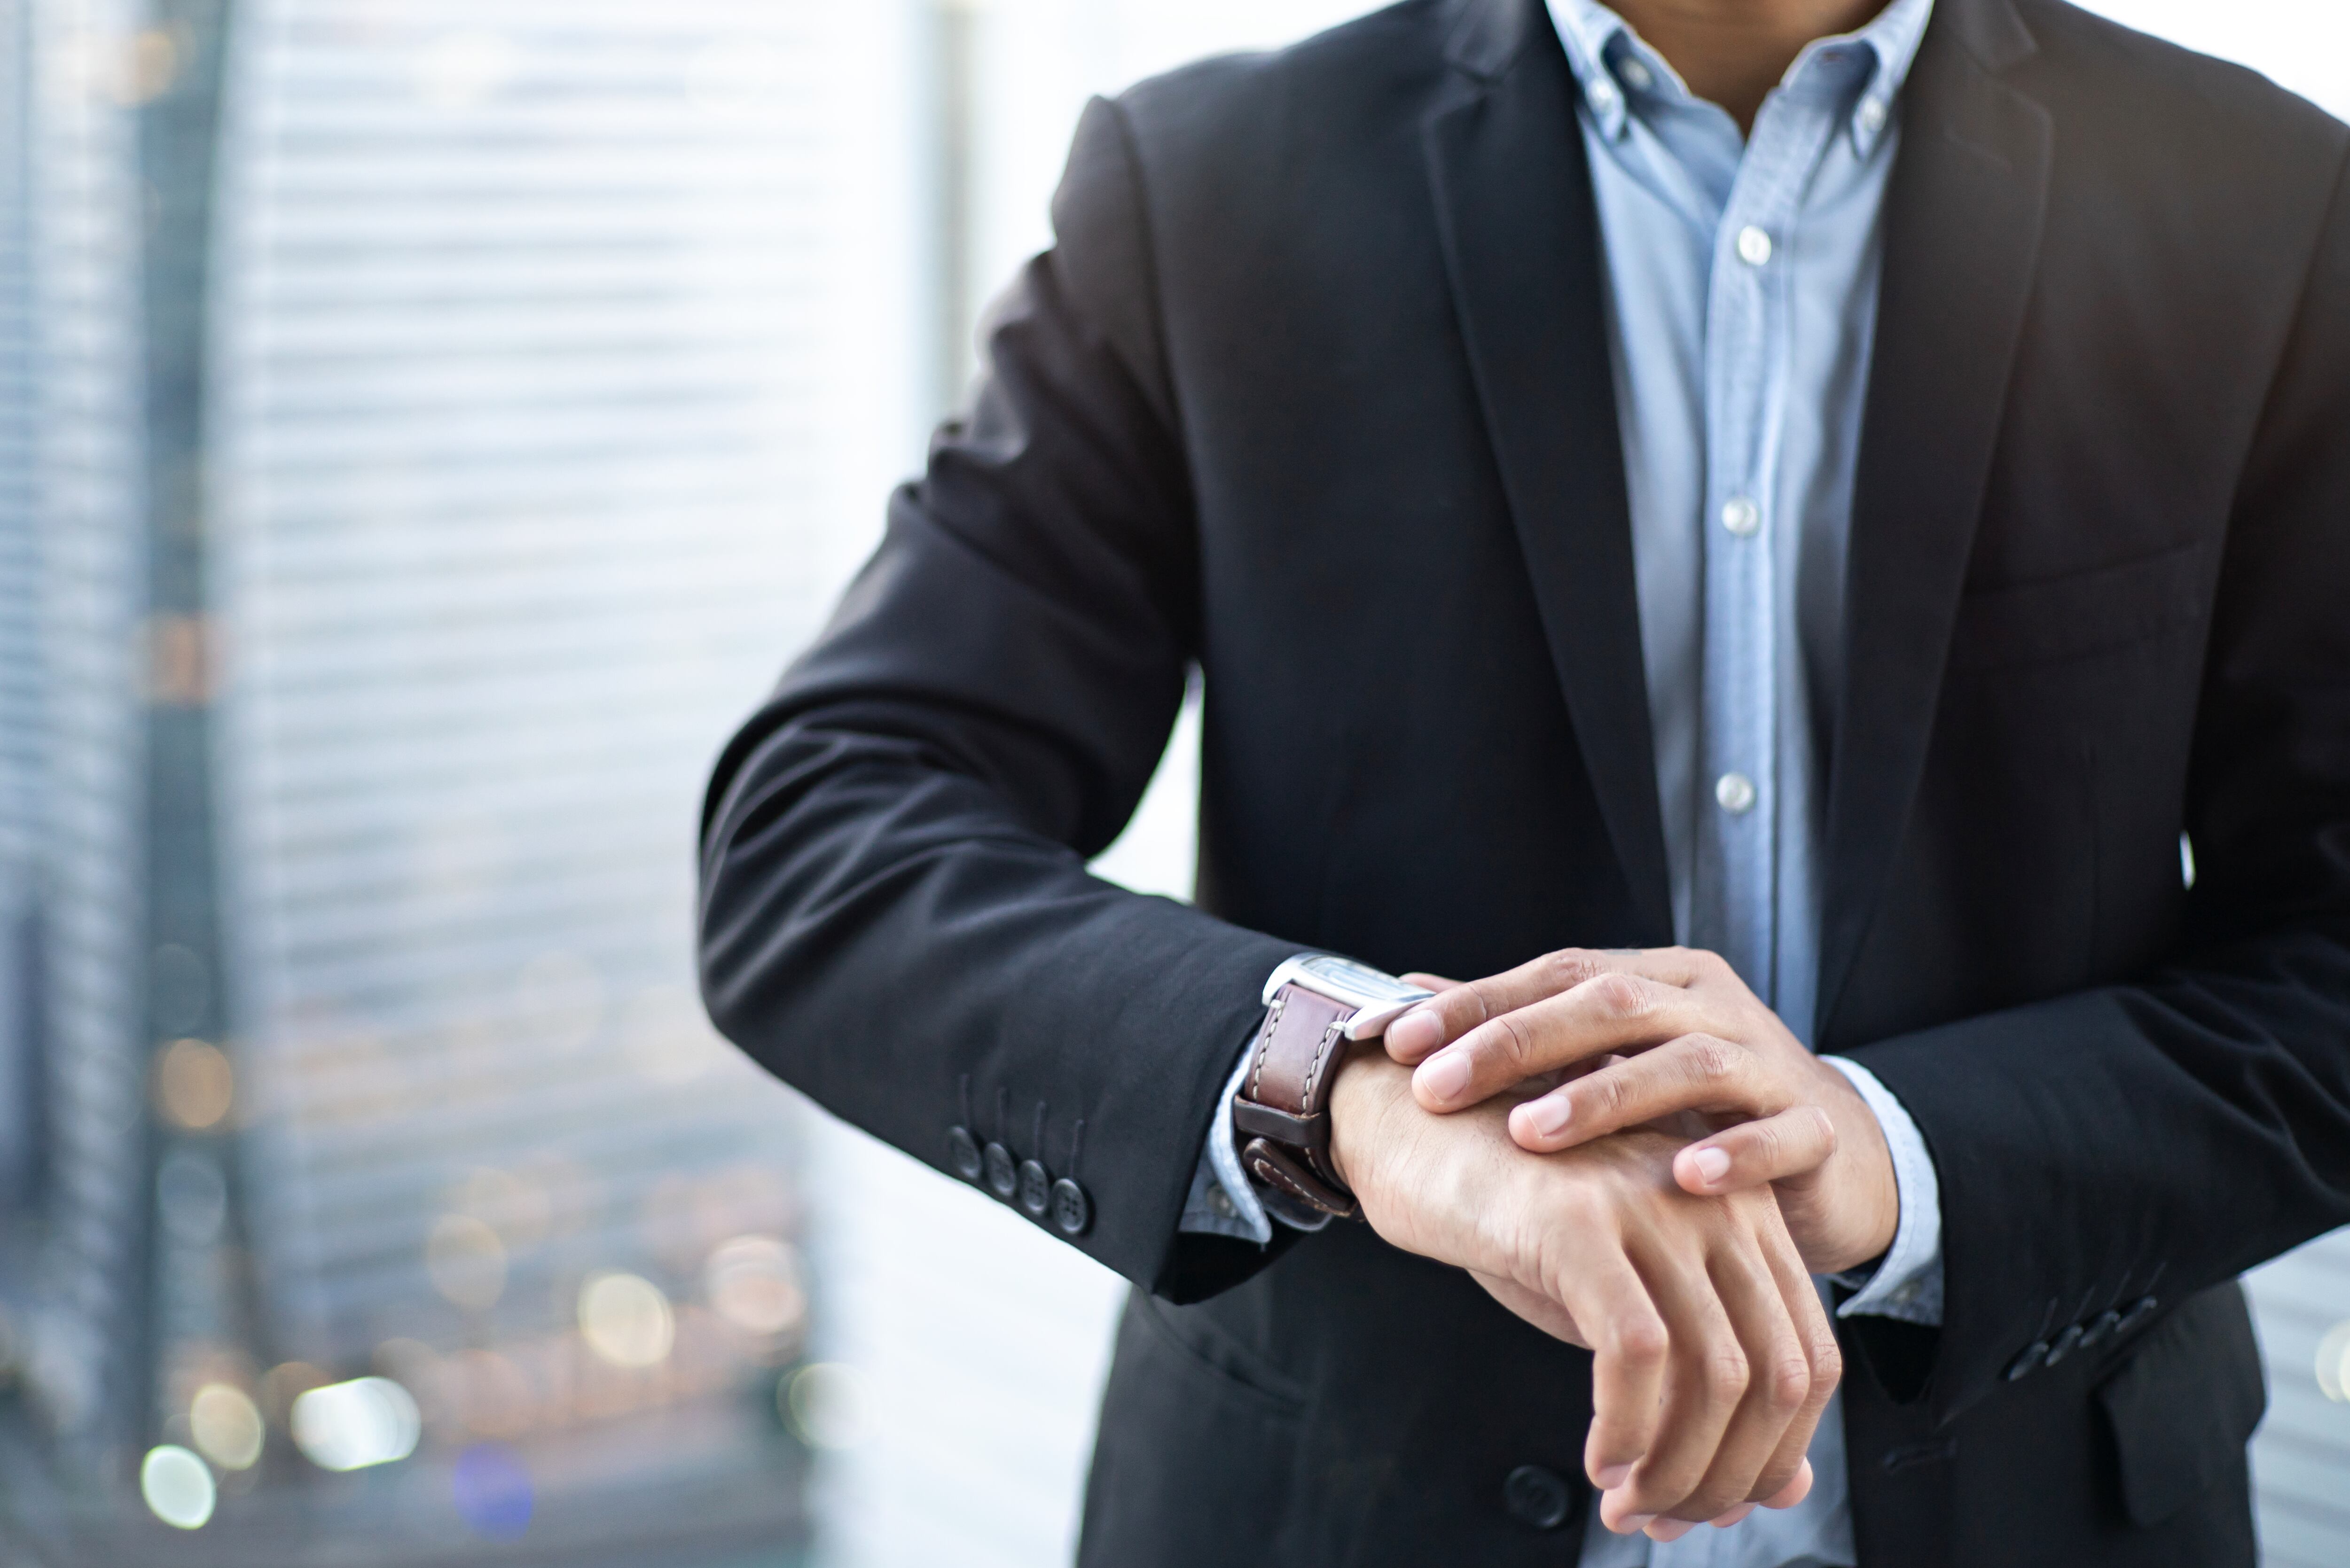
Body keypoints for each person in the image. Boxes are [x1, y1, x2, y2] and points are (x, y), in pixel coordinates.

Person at [696, 0, 2350, 1561]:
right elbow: (822, 834)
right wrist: (1347, 1089)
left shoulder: (2263, 203)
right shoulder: (1211, 188)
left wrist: (1895, 1153)